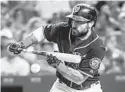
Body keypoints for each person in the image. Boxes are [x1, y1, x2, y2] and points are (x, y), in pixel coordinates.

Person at [8, 3, 106, 92]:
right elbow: (42, 31)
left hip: (88, 89)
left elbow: (79, 79)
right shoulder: (63, 29)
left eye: (79, 22)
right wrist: (22, 44)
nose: (74, 25)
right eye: (73, 20)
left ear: (91, 23)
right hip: (62, 86)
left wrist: (58, 65)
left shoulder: (97, 46)